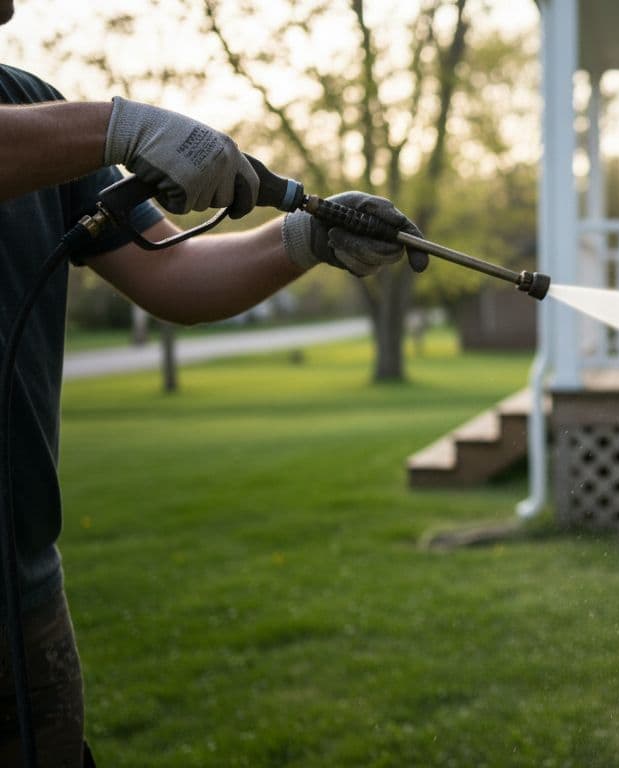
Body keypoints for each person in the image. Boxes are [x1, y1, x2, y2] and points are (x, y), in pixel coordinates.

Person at [0, 3, 424, 763]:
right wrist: (123, 126)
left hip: (23, 588)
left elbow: (173, 274)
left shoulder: (33, 104)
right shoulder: (67, 127)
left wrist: (306, 237)